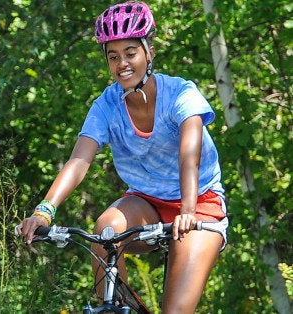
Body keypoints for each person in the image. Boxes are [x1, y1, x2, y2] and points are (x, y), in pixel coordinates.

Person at [16, 2, 228, 312]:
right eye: (113, 57)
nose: (122, 64)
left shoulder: (182, 94)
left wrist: (187, 209)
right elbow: (79, 161)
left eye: (130, 53)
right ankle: (117, 308)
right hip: (145, 203)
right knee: (106, 231)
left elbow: (189, 155)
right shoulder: (106, 105)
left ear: (149, 53)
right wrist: (44, 211)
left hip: (198, 205)